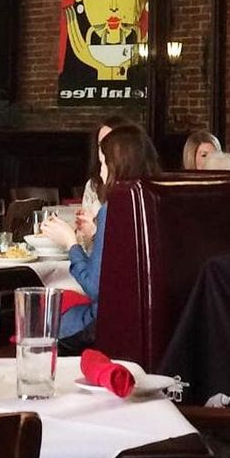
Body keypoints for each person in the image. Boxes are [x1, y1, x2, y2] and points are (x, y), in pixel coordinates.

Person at [41, 124, 160, 352]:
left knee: (39, 319)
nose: (102, 173)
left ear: (119, 167)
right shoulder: (155, 203)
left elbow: (96, 288)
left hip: (105, 324)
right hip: (148, 319)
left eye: (105, 164)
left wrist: (70, 243)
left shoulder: (114, 209)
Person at [81, 115, 135, 216]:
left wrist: (93, 229)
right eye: (100, 145)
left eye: (109, 146)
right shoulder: (94, 185)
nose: (103, 152)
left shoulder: (136, 190)